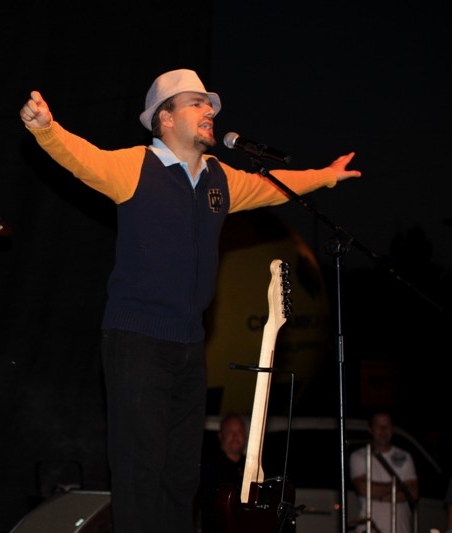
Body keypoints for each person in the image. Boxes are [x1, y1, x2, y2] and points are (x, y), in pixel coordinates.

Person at [19, 68, 361, 533]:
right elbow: (83, 158)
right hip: (137, 341)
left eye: (210, 105)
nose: (209, 111)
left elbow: (272, 186)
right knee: (140, 474)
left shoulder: (219, 178)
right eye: (196, 103)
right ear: (165, 118)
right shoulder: (135, 168)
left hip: (189, 344)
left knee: (181, 476)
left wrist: (326, 176)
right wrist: (46, 128)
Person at [349, 411, 419, 533]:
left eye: (387, 426)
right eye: (378, 426)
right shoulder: (359, 456)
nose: (383, 430)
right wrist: (399, 486)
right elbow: (364, 488)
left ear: (393, 429)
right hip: (370, 529)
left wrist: (379, 496)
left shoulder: (405, 456)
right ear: (371, 430)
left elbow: (413, 492)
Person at [199, 414, 248, 533]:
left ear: (246, 436)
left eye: (239, 431)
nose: (235, 436)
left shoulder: (253, 466)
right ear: (221, 436)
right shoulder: (208, 467)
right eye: (230, 431)